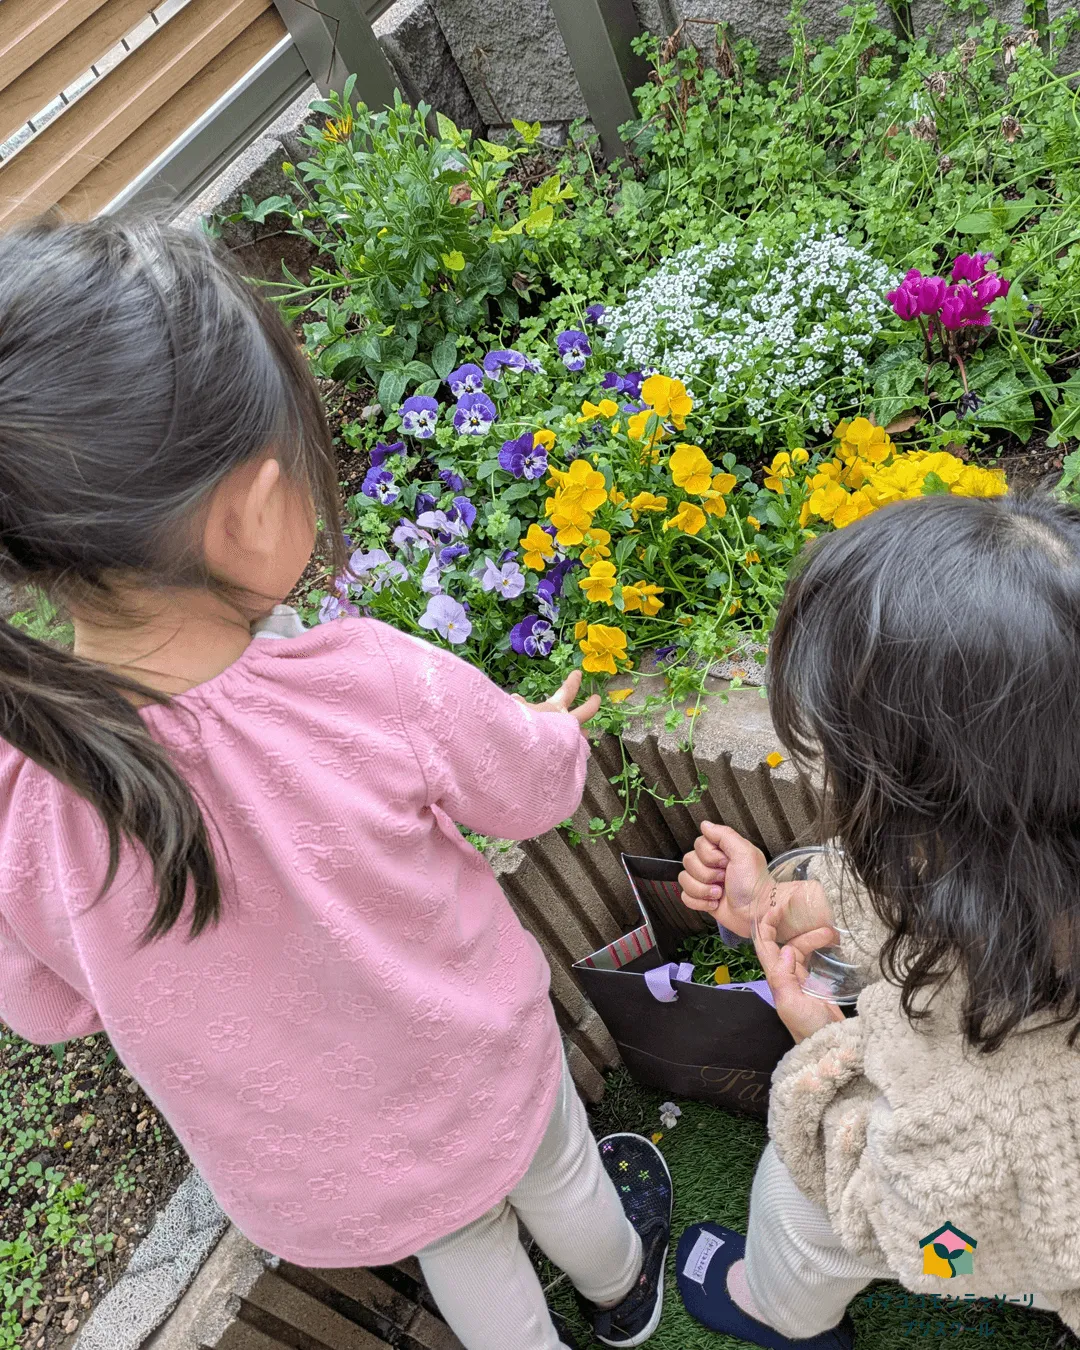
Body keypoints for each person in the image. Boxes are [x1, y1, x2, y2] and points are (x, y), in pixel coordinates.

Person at [0, 218, 672, 1350]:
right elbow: (531, 791)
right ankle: (622, 1288)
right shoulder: (363, 685)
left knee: (464, 1254)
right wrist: (557, 734)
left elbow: (49, 1005)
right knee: (558, 1169)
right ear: (256, 512)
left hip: (330, 1166)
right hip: (480, 1069)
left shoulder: (23, 797)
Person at [677, 492, 1080, 1349]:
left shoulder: (1008, 1120)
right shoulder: (1035, 844)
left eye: (846, 774)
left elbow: (930, 1239)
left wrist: (822, 1056)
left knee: (803, 1204)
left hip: (984, 1213)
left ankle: (776, 1310)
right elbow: (942, 888)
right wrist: (797, 902)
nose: (827, 783)